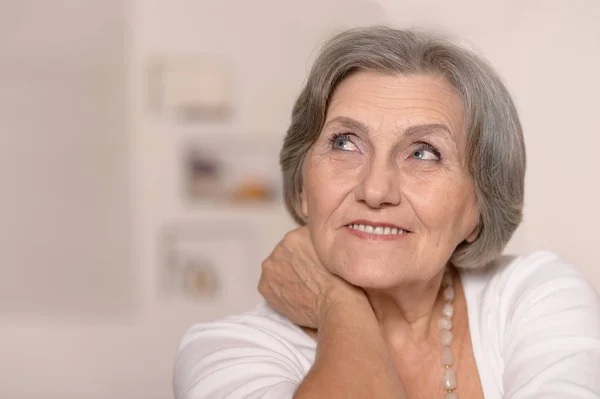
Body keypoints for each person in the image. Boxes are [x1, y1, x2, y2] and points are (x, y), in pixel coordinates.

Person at [173, 27, 600, 399]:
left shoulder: (533, 296)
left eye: (424, 153)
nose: (375, 190)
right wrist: (339, 302)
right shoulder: (226, 351)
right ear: (303, 186)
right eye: (344, 143)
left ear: (478, 209)